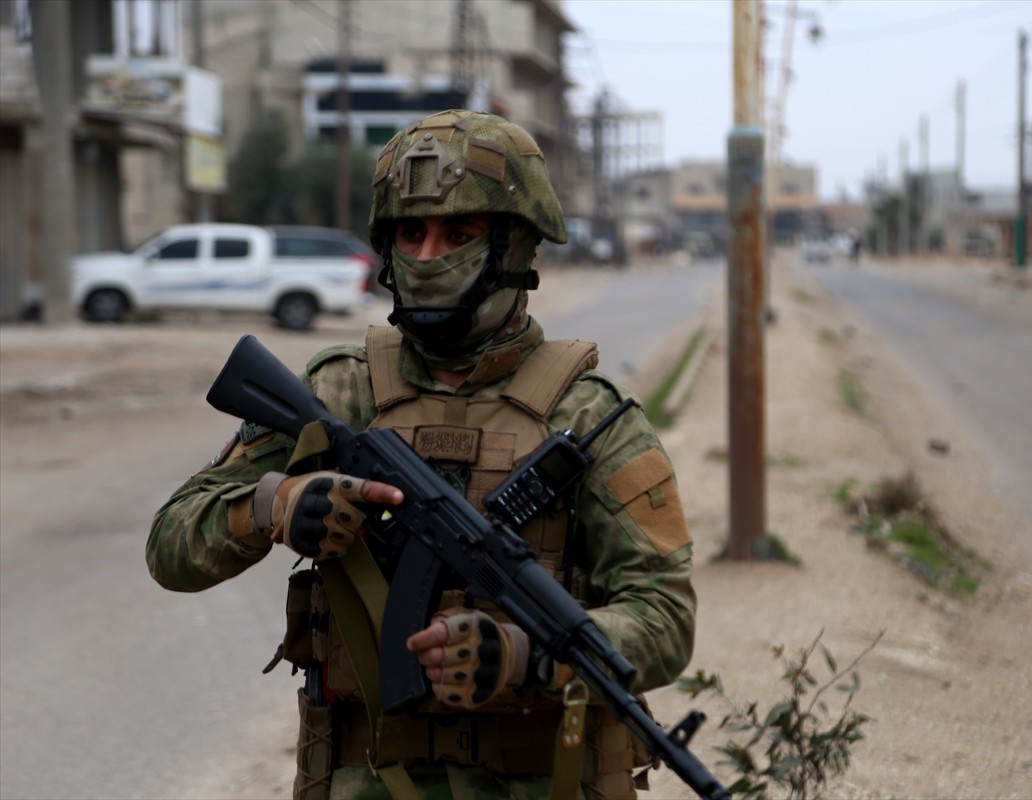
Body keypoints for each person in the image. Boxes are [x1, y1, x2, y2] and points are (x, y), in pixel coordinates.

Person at [147, 109, 697, 800]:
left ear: (517, 248)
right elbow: (171, 545)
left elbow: (665, 617)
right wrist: (273, 505)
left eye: (459, 234)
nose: (428, 256)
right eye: (411, 233)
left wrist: (524, 656)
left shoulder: (587, 417)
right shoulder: (340, 389)